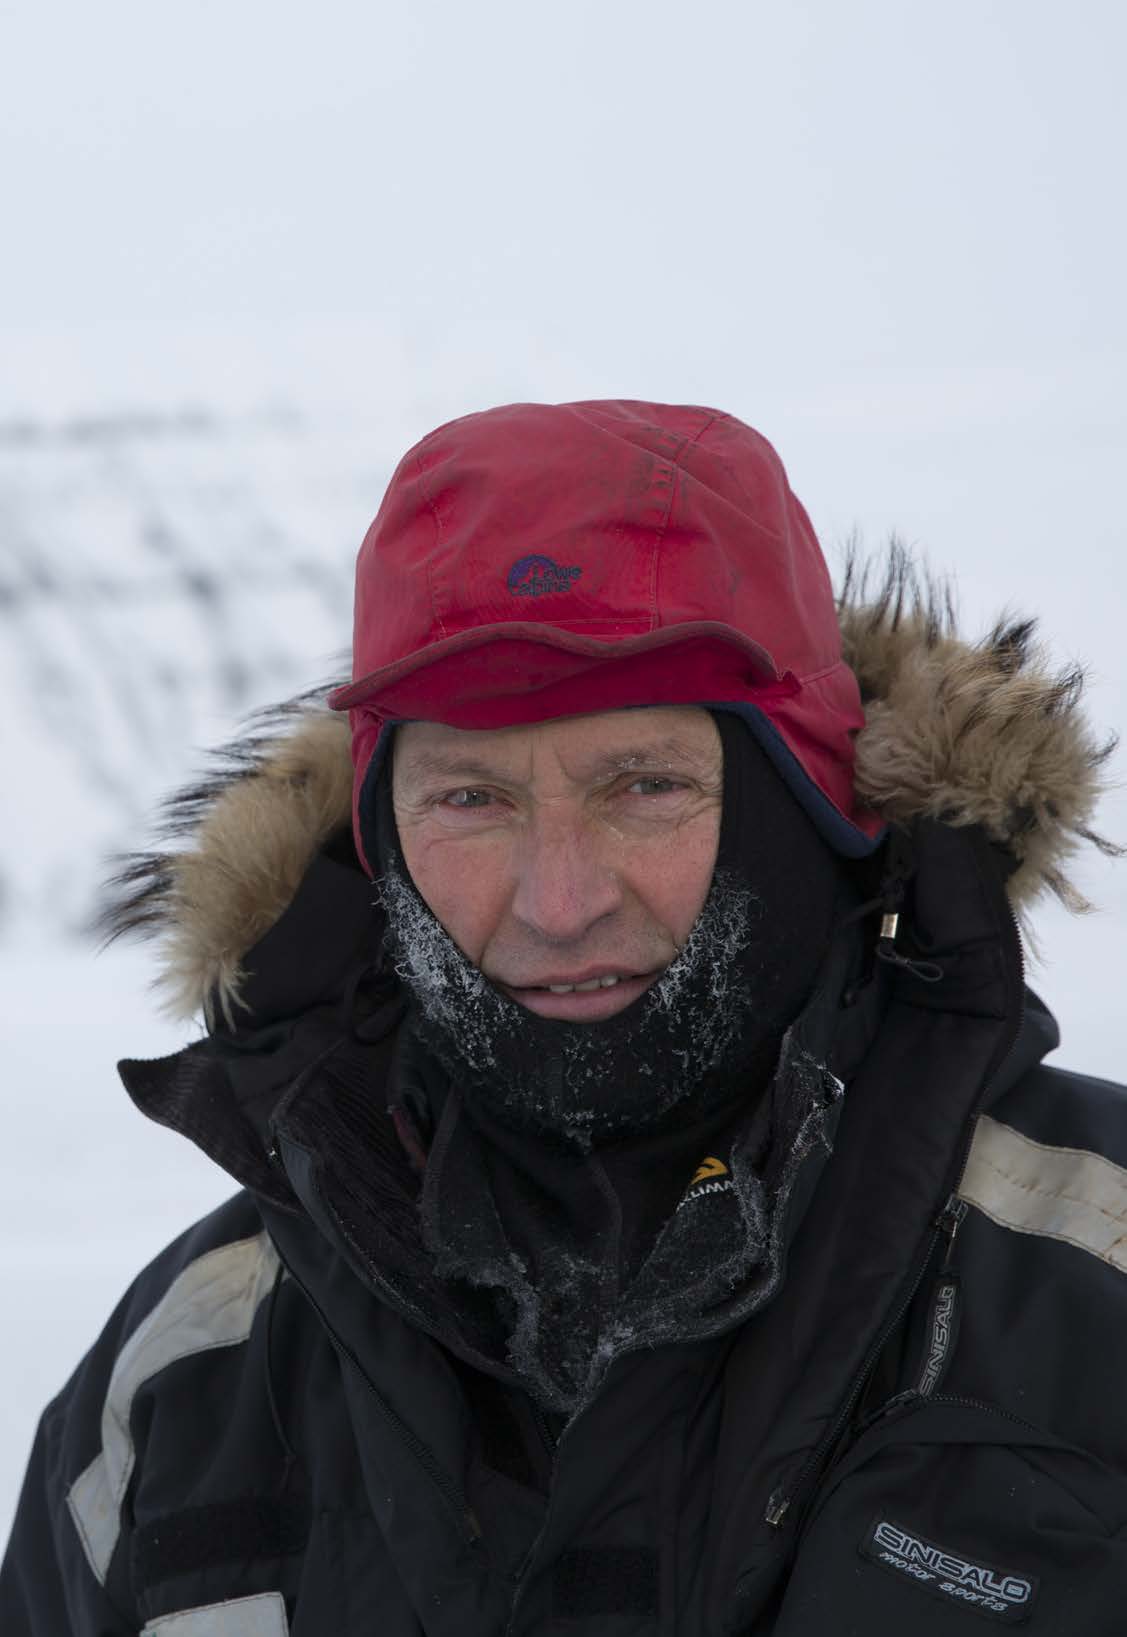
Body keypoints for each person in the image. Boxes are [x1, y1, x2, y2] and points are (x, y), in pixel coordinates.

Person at [3, 399, 1126, 1636]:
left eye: (643, 784)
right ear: (376, 839)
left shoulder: (1093, 1271)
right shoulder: (180, 1384)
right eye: (469, 799)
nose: (558, 900)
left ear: (806, 798)